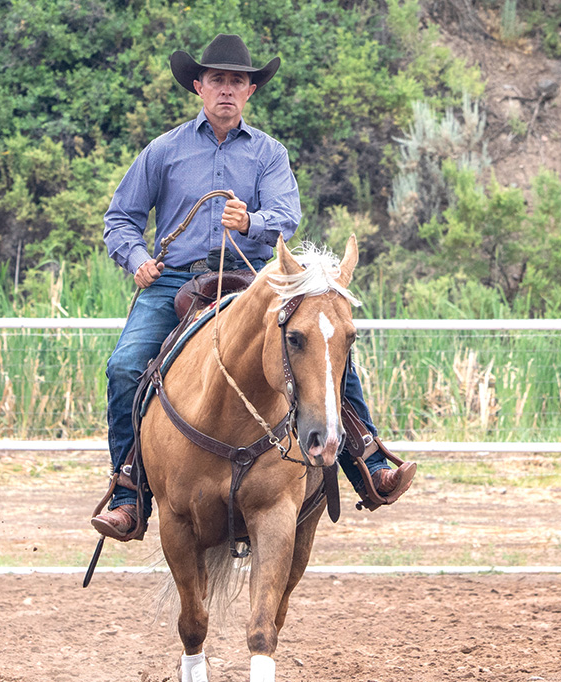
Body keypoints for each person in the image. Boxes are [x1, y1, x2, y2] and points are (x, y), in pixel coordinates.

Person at [92, 33, 415, 541]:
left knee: (323, 344)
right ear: (199, 86)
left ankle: (367, 461)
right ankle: (130, 491)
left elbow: (286, 216)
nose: (227, 89)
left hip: (256, 279)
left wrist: (251, 223)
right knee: (126, 365)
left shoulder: (269, 153)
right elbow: (120, 220)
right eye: (217, 79)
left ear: (250, 92)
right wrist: (136, 260)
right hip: (176, 276)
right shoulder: (163, 151)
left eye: (237, 81)